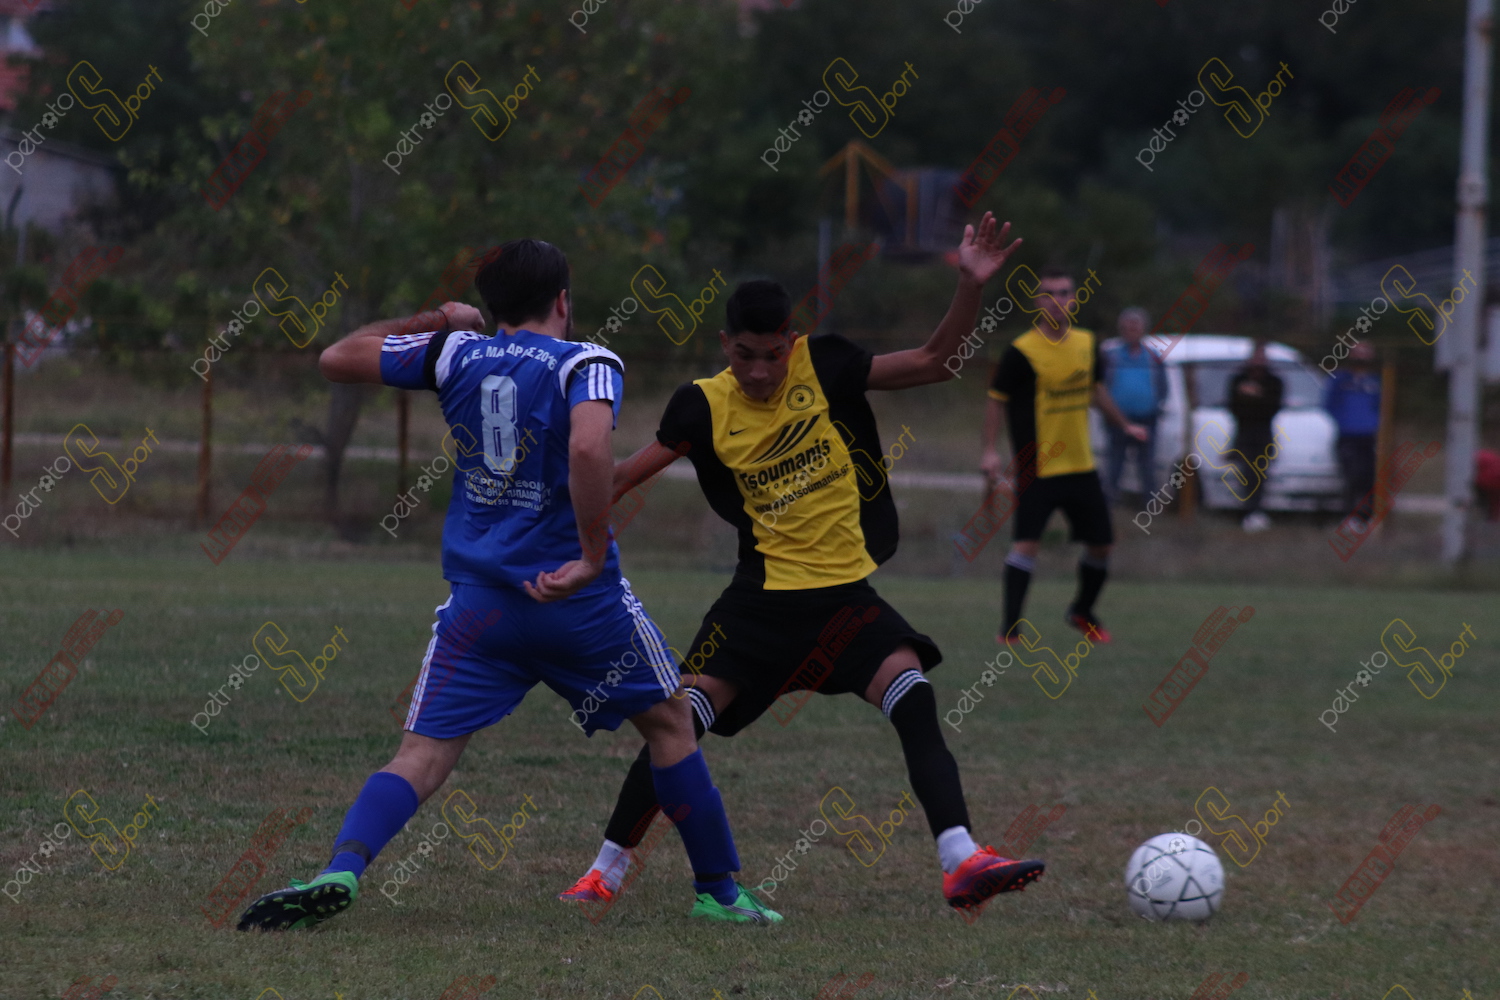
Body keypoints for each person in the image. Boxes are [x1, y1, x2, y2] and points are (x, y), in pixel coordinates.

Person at [237, 240, 780, 930]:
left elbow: (337, 357)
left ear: (490, 305)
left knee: (421, 755)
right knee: (670, 723)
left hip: (482, 605)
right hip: (578, 603)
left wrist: (437, 319)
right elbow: (589, 445)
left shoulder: (455, 353)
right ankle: (719, 893)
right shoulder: (587, 362)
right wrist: (589, 556)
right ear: (563, 300)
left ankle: (340, 868)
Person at [559, 214, 1049, 917]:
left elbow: (935, 362)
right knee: (677, 726)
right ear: (725, 345)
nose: (760, 372)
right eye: (745, 356)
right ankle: (602, 871)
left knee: (914, 696)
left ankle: (961, 860)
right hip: (757, 608)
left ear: (791, 341)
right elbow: (618, 478)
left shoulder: (827, 364)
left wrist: (970, 285)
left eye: (772, 355)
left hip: (844, 602)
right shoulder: (701, 404)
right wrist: (547, 520)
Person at [980, 267, 1148, 646]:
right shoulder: (1022, 351)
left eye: (1064, 293)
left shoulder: (1087, 343)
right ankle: (1010, 630)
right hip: (1038, 467)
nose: (1057, 301)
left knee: (1102, 545)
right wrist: (989, 451)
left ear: (1074, 299)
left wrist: (1125, 425)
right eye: (1049, 294)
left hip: (1081, 465)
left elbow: (1096, 389)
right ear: (1037, 302)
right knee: (1026, 544)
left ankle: (1081, 611)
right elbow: (995, 399)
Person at [1100, 306, 1167, 504]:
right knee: (1115, 461)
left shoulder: (1153, 357)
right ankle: (1110, 501)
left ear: (1143, 329)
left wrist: (1156, 405)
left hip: (1147, 418)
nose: (1132, 331)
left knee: (1147, 464)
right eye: (1128, 327)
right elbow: (1101, 385)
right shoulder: (1111, 356)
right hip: (1117, 419)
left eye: (1135, 327)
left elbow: (1163, 386)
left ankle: (1149, 503)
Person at [1226, 339, 1284, 533]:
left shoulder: (1274, 381)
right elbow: (1234, 406)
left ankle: (1256, 510)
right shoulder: (1238, 378)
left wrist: (1254, 395)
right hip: (1243, 432)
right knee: (1245, 472)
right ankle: (1247, 511)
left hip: (1263, 433)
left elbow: (1272, 407)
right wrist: (1253, 399)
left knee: (1259, 472)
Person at [1323, 341, 1381, 530]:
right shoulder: (1340, 380)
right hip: (1348, 435)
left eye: (1365, 353)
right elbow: (1329, 404)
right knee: (1352, 475)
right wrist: (1343, 422)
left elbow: (1382, 406)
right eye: (1358, 353)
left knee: (1369, 476)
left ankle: (1367, 516)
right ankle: (1349, 514)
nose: (1361, 357)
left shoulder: (1375, 381)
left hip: (1369, 436)